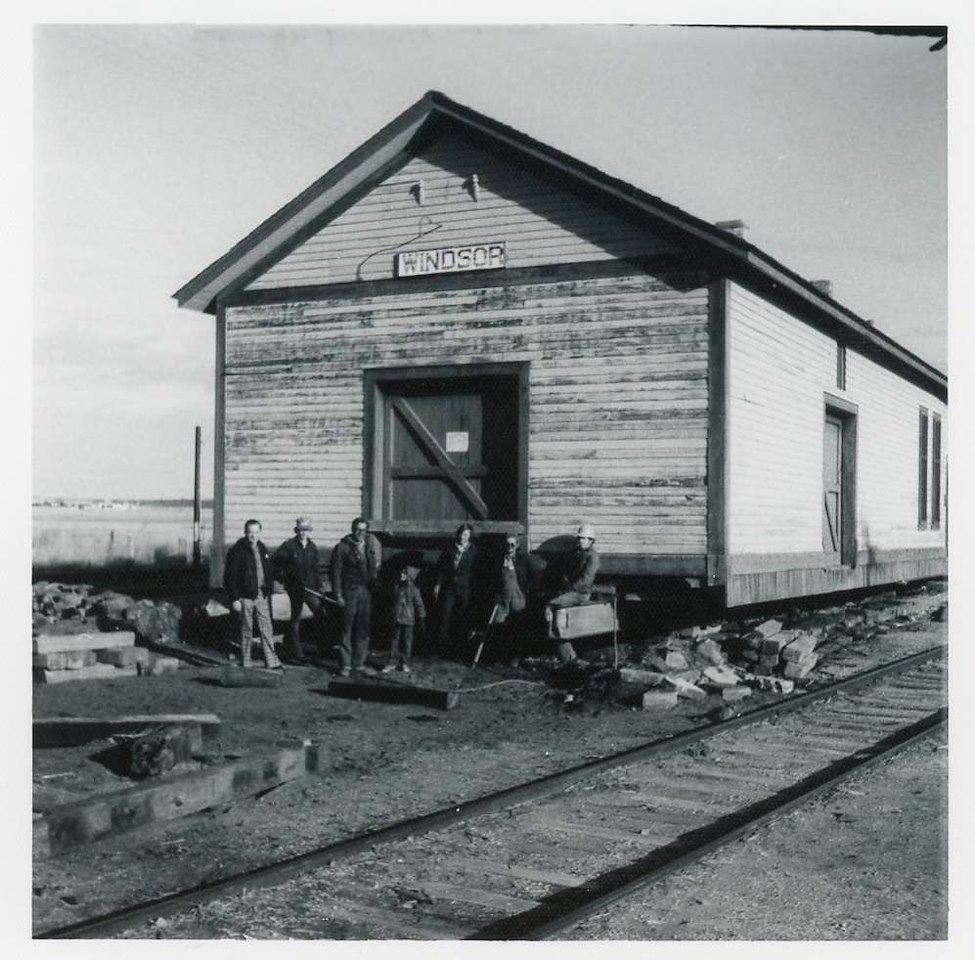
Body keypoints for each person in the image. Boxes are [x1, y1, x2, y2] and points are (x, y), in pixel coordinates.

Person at [223, 519, 282, 670]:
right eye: (250, 532)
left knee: (266, 628)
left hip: (261, 595)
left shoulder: (262, 549)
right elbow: (230, 577)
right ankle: (246, 662)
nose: (253, 536)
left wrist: (270, 586)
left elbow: (268, 570)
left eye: (256, 532)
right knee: (246, 630)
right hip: (245, 597)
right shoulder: (237, 551)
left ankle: (271, 661)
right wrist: (234, 598)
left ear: (260, 533)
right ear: (245, 533)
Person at [330, 516, 381, 676]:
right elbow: (336, 573)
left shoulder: (369, 547)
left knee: (363, 628)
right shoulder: (342, 547)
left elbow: (373, 569)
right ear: (352, 530)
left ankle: (359, 664)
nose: (361, 533)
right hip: (349, 592)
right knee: (347, 628)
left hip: (366, 592)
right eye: (358, 530)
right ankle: (345, 665)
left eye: (364, 530)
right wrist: (338, 594)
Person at [275, 517, 326, 664]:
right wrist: (285, 578)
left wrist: (320, 586)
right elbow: (277, 564)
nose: (303, 533)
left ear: (310, 531)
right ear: (296, 530)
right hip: (295, 588)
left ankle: (321, 649)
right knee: (295, 619)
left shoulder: (312, 547)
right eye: (300, 530)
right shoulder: (289, 546)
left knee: (321, 614)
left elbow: (316, 569)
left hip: (310, 588)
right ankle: (297, 653)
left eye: (306, 530)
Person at [546, 523, 600, 661]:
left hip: (581, 594)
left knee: (552, 604)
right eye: (580, 538)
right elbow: (567, 571)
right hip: (570, 590)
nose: (580, 541)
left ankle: (567, 655)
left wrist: (568, 588)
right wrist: (564, 581)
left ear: (590, 541)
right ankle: (565, 651)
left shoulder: (593, 558)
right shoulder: (576, 553)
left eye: (584, 538)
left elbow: (585, 580)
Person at [434, 522, 477, 651]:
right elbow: (442, 569)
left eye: (466, 534)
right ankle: (441, 648)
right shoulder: (450, 549)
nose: (462, 537)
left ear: (469, 536)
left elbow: (477, 572)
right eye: (461, 534)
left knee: (462, 617)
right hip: (450, 588)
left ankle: (460, 649)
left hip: (465, 588)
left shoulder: (473, 551)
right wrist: (437, 585)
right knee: (445, 616)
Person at [383, 565, 425, 674]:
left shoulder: (414, 590)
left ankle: (405, 663)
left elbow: (419, 604)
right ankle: (391, 662)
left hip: (408, 620)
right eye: (401, 573)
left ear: (409, 576)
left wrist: (422, 617)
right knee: (394, 641)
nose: (402, 575)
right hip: (396, 618)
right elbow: (390, 602)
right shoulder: (395, 586)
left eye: (405, 574)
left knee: (407, 643)